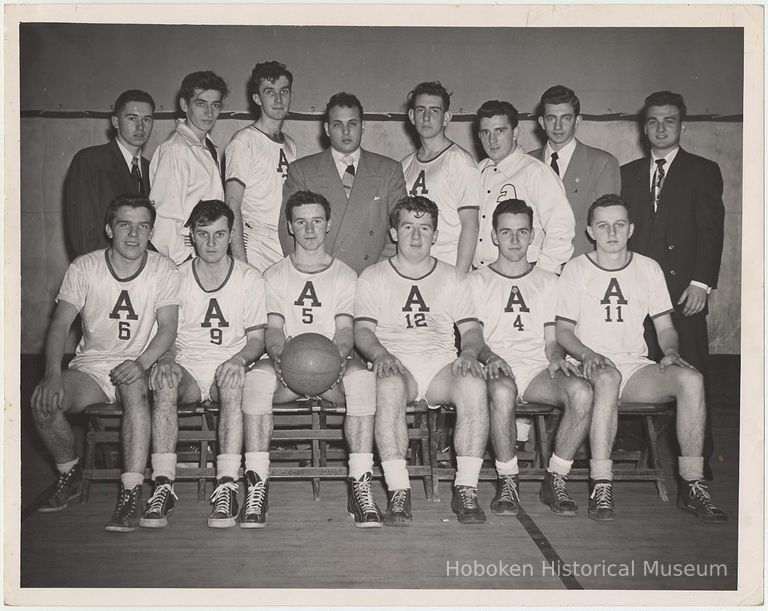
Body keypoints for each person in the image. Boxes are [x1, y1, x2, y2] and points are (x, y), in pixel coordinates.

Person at [555, 194, 727, 524]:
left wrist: (671, 353)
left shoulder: (648, 268)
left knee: (692, 380)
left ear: (631, 228)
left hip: (633, 367)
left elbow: (664, 327)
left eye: (619, 225)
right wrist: (588, 354)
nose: (611, 233)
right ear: (590, 231)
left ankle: (692, 484)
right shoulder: (576, 268)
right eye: (603, 225)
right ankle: (601, 483)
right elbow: (563, 331)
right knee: (607, 377)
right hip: (589, 365)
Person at [31, 194, 180, 532]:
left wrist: (141, 363)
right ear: (109, 229)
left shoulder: (163, 268)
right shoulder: (85, 267)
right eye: (125, 225)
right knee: (42, 403)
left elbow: (168, 327)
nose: (133, 234)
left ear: (151, 232)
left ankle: (130, 492)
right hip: (93, 368)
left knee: (135, 392)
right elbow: (59, 324)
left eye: (142, 227)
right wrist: (52, 374)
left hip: (139, 364)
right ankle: (69, 471)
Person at [246, 190, 381, 528]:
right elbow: (273, 331)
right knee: (256, 381)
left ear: (328, 224)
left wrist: (332, 363)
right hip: (285, 364)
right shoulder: (274, 275)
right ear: (290, 226)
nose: (309, 230)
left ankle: (360, 483)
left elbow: (345, 332)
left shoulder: (345, 275)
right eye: (301, 222)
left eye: (317, 221)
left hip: (332, 363)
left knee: (363, 381)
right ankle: (256, 484)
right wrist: (281, 357)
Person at [355, 195, 488, 525]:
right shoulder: (373, 276)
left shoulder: (453, 277)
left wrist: (469, 353)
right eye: (408, 227)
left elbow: (471, 330)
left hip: (441, 363)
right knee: (387, 387)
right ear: (394, 232)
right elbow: (363, 332)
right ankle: (399, 491)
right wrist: (381, 354)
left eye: (424, 228)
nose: (416, 236)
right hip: (398, 363)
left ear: (436, 234)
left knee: (473, 384)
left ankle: (466, 488)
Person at [142, 200, 267, 529]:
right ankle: (163, 485)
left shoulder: (249, 278)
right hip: (187, 365)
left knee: (232, 382)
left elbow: (257, 338)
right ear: (191, 237)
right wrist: (166, 361)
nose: (211, 243)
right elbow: (166, 333)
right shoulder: (175, 276)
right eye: (203, 234)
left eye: (219, 234)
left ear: (230, 236)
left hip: (227, 365)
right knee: (164, 382)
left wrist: (239, 360)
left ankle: (227, 484)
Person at [468, 199, 593, 517]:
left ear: (533, 235)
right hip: (496, 364)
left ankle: (556, 478)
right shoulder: (477, 281)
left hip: (536, 368)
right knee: (502, 390)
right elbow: (474, 338)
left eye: (522, 232)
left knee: (581, 391)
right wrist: (491, 356)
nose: (514, 240)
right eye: (506, 232)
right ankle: (507, 479)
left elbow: (553, 340)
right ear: (494, 236)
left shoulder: (549, 281)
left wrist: (555, 358)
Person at [620, 91, 725, 471]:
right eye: (652, 121)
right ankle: (630, 447)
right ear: (643, 127)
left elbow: (712, 232)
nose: (660, 128)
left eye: (668, 121)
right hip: (638, 294)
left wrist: (701, 283)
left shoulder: (703, 170)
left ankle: (698, 456)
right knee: (637, 366)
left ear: (683, 126)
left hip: (685, 294)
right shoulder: (628, 173)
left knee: (690, 372)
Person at [279, 92, 407, 274]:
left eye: (352, 124)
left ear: (363, 126)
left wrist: (378, 274)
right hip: (320, 276)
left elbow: (401, 229)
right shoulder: (302, 171)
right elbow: (288, 230)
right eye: (337, 124)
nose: (346, 132)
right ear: (326, 128)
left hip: (371, 277)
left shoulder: (389, 170)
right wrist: (306, 274)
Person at [473, 99, 575, 272]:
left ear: (515, 133)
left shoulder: (536, 172)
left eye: (500, 131)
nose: (492, 140)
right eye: (485, 132)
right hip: (480, 277)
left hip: (523, 275)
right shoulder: (476, 171)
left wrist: (540, 275)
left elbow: (561, 231)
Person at [529, 85, 621, 256]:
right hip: (534, 265)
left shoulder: (602, 163)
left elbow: (608, 224)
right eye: (551, 118)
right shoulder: (526, 163)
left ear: (577, 121)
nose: (558, 126)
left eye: (566, 118)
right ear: (541, 122)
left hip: (581, 265)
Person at [63, 89, 155, 258]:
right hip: (101, 271)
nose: (140, 127)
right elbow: (83, 235)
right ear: (115, 121)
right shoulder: (90, 161)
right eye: (132, 118)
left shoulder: (152, 168)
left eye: (147, 119)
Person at [150, 71, 229, 264]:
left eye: (215, 105)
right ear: (184, 105)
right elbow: (164, 218)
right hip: (183, 259)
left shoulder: (207, 146)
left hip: (205, 252)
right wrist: (183, 262)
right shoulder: (177, 149)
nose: (210, 113)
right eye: (201, 104)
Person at [225, 61, 297, 272]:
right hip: (256, 241)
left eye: (284, 92)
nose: (278, 99)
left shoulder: (291, 144)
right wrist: (241, 264)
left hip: (284, 239)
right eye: (269, 92)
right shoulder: (243, 141)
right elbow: (232, 203)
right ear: (257, 98)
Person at [401, 81, 480, 272]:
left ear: (446, 118)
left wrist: (459, 277)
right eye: (420, 110)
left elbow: (470, 224)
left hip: (448, 265)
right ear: (412, 116)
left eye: (434, 111)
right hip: (414, 266)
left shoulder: (459, 160)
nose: (426, 117)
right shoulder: (405, 164)